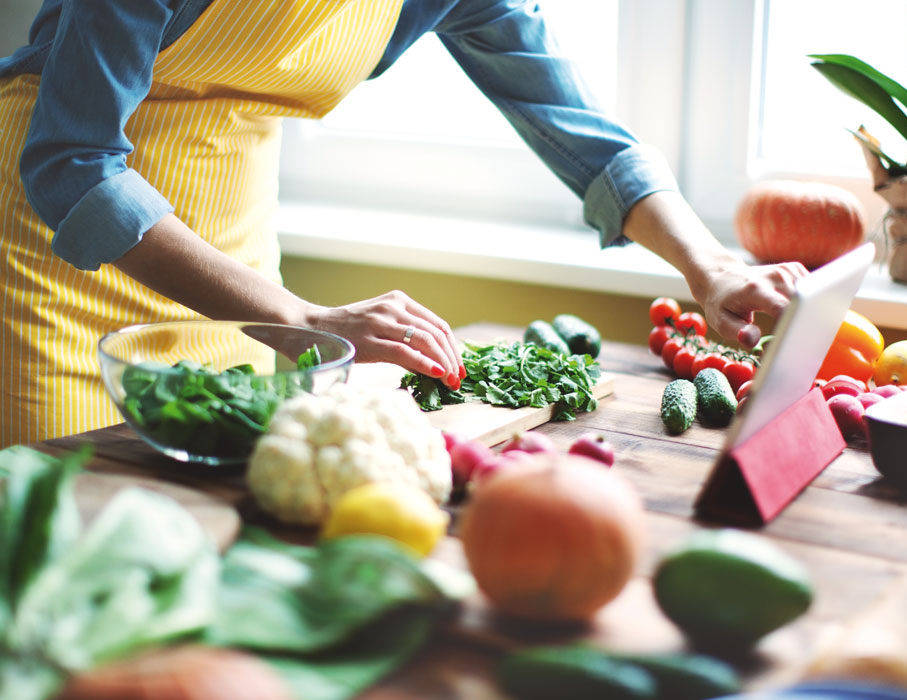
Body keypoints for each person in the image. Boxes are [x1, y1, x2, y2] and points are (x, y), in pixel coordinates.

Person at [0, 0, 807, 447]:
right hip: (55, 251)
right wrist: (302, 317)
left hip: (232, 253)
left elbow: (582, 133)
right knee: (63, 530)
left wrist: (710, 267)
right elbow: (72, 162)